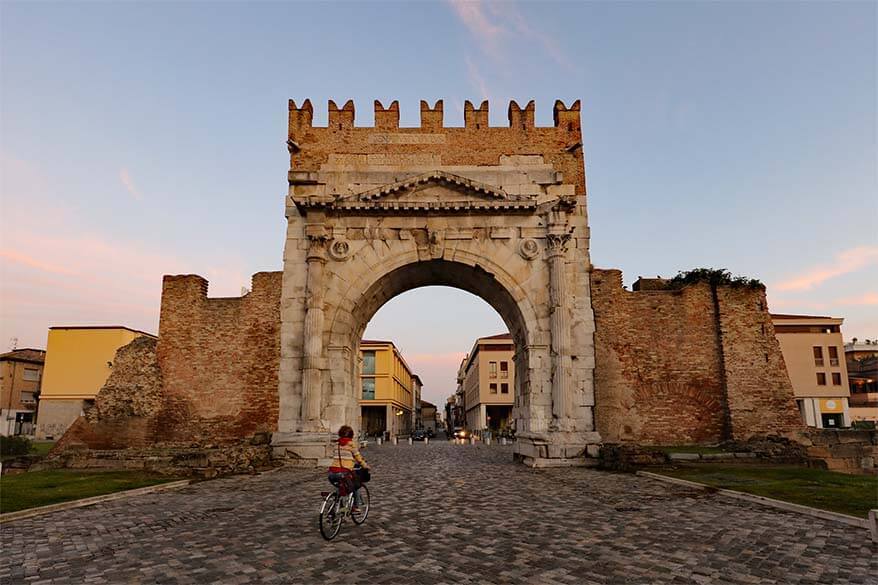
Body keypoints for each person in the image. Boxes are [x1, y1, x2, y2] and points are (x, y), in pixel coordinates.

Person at [328, 425, 370, 510]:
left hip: (332, 473)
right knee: (356, 485)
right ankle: (356, 507)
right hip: (344, 472)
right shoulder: (351, 445)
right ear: (351, 435)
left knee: (340, 487)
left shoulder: (336, 444)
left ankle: (336, 507)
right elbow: (358, 458)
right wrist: (365, 466)